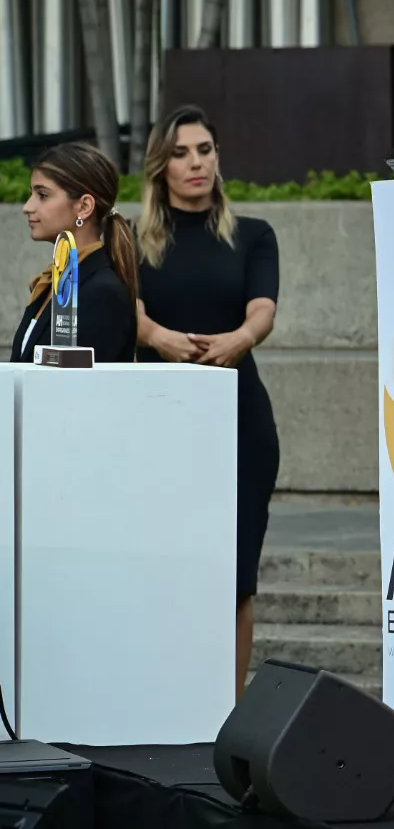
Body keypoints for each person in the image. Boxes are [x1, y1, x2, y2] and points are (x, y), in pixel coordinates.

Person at [134, 107, 280, 700]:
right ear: (159, 167)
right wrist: (156, 337)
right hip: (158, 419)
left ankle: (227, 707)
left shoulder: (254, 235)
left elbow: (263, 309)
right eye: (181, 152)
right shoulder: (132, 237)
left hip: (239, 417)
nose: (196, 162)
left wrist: (239, 340)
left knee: (236, 574)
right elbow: (129, 309)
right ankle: (165, 698)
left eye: (205, 149)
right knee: (163, 568)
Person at [11, 143, 139, 364]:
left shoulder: (102, 293)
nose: (27, 207)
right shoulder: (56, 281)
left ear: (84, 206)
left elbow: (79, 388)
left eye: (43, 195)